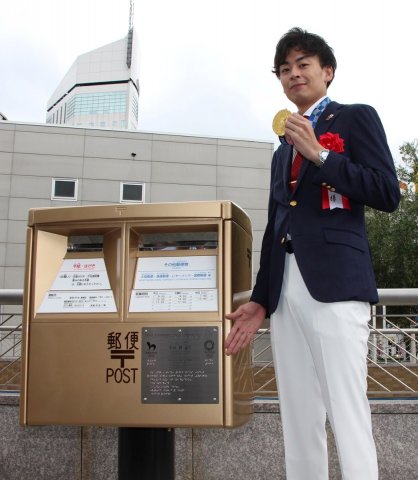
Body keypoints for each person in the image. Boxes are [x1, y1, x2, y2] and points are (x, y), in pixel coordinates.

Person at [225, 27, 400, 480]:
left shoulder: (355, 117)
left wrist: (321, 154)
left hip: (336, 285)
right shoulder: (282, 148)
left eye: (303, 64)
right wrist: (261, 299)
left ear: (328, 71)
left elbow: (386, 192)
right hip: (286, 293)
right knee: (298, 414)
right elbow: (276, 226)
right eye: (284, 69)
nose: (293, 74)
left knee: (346, 407)